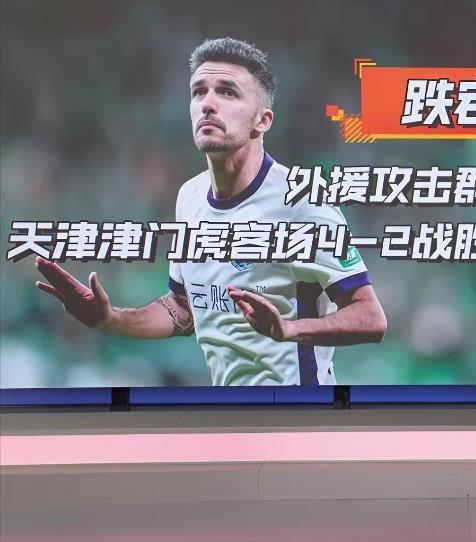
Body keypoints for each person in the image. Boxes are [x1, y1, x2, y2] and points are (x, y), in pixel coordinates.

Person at [34, 37, 387, 386]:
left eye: (228, 92)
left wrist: (288, 329)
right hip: (225, 411)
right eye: (199, 92)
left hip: (296, 412)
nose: (207, 104)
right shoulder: (190, 197)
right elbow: (183, 308)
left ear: (262, 120)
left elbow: (371, 318)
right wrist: (110, 319)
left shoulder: (303, 202)